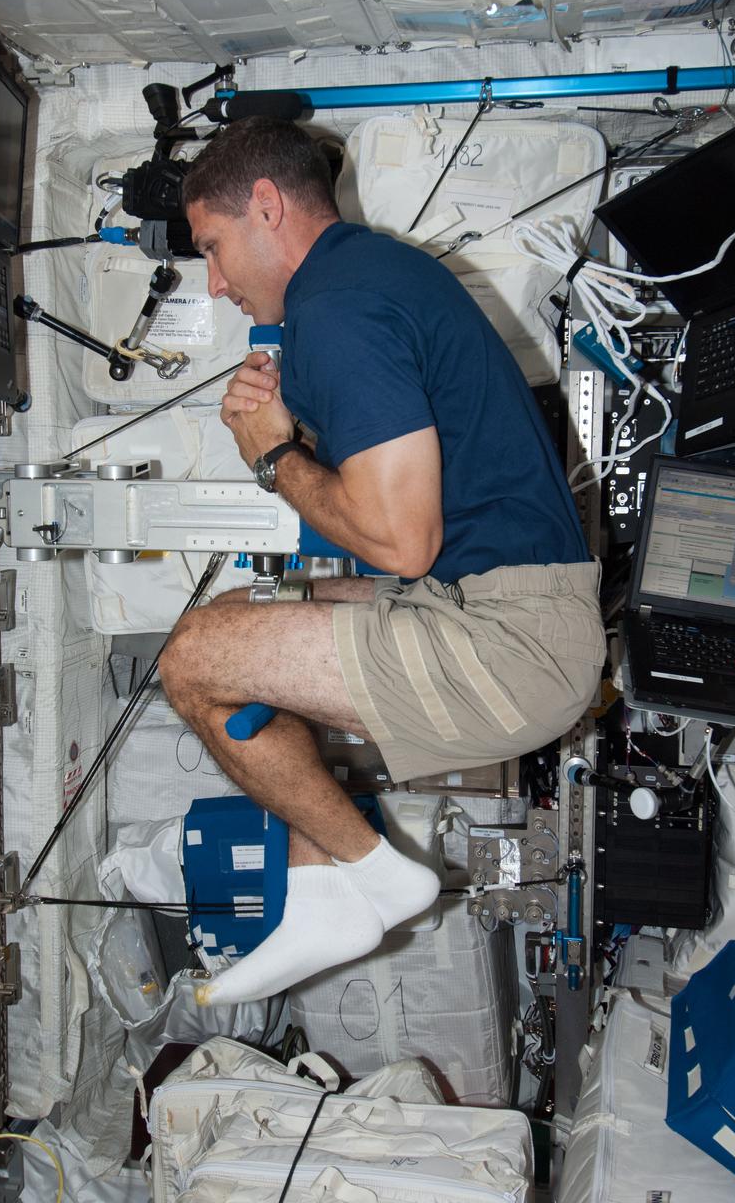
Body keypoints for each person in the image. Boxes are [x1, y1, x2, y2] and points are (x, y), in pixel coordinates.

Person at [158, 116, 605, 1006]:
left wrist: (273, 455)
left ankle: (376, 875)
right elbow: (400, 530)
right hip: (495, 606)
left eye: (212, 248)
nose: (215, 282)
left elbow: (402, 541)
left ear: (267, 206)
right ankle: (321, 888)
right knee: (249, 619)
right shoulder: (360, 279)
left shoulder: (339, 307)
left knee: (192, 662)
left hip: (516, 642)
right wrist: (290, 430)